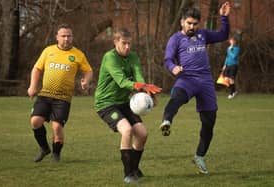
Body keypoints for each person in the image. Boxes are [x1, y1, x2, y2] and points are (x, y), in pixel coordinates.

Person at [159, 2, 231, 174]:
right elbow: (168, 59)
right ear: (182, 22)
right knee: (177, 97)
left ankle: (200, 156)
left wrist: (224, 17)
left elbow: (223, 35)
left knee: (209, 122)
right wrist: (173, 67)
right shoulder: (175, 39)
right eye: (189, 23)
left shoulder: (203, 34)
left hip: (205, 81)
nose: (192, 26)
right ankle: (167, 120)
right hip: (187, 79)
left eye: (195, 24)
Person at [94, 28, 161, 183]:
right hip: (106, 104)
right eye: (124, 43)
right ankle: (128, 174)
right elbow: (122, 82)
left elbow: (138, 77)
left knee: (143, 134)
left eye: (129, 43)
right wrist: (142, 86)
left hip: (124, 103)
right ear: (115, 42)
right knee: (127, 130)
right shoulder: (109, 58)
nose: (127, 47)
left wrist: (147, 92)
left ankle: (134, 168)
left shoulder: (133, 57)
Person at [27, 23, 93, 163]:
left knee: (57, 127)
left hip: (63, 98)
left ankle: (56, 155)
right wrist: (33, 86)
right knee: (35, 121)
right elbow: (37, 69)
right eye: (63, 36)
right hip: (45, 95)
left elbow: (88, 71)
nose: (66, 39)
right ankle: (44, 149)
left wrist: (86, 81)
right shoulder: (48, 51)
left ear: (72, 37)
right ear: (57, 37)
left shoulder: (78, 54)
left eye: (69, 36)